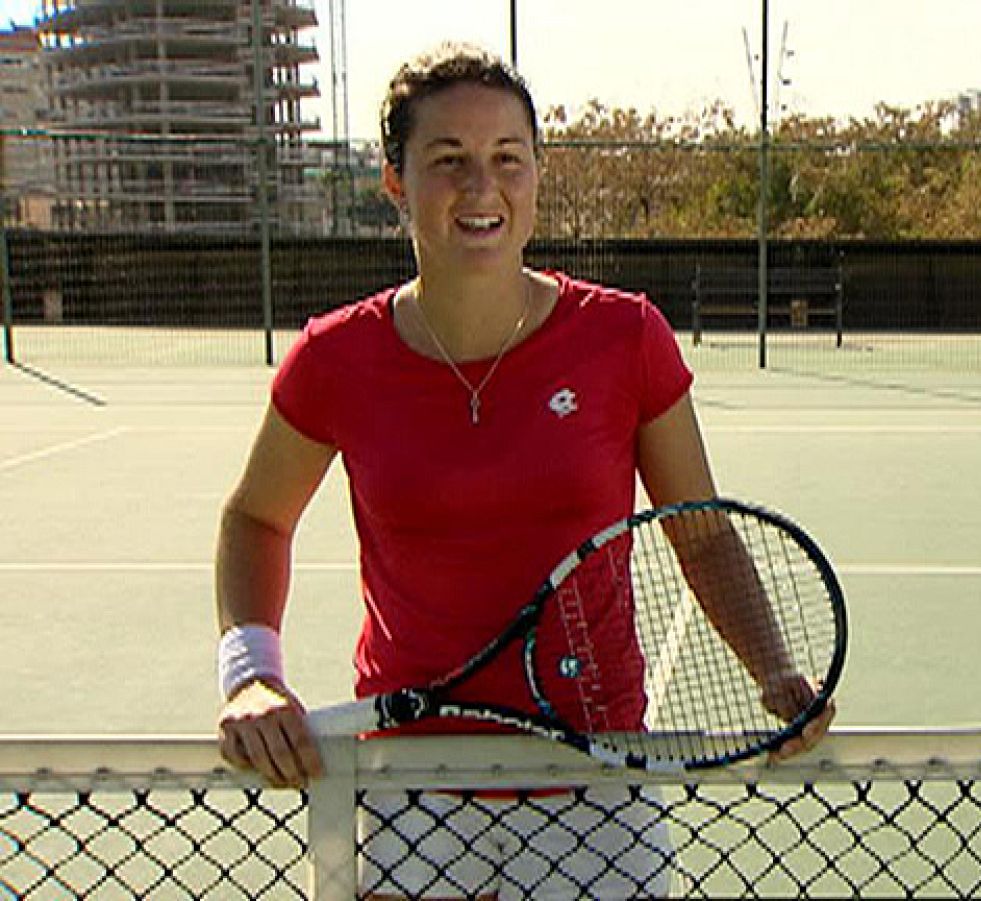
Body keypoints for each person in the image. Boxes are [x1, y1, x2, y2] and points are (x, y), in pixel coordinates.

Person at [213, 41, 835, 899]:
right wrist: (249, 673)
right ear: (395, 182)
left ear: (538, 173)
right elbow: (256, 518)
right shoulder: (334, 358)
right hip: (412, 785)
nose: (482, 188)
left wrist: (774, 668)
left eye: (508, 157)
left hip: (597, 775)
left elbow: (701, 533)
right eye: (448, 160)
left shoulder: (625, 337)